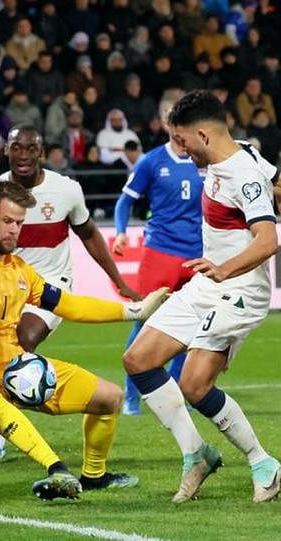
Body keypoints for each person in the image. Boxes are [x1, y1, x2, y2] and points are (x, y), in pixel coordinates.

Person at [0, 180, 169, 499]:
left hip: (18, 371)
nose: (14, 230)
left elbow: (69, 304)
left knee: (110, 397)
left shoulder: (20, 269)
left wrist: (133, 311)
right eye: (7, 221)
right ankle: (56, 470)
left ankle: (94, 475)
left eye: (19, 223)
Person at [122, 91, 281, 504]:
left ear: (203, 135)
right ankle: (197, 455)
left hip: (241, 290)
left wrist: (233, 266)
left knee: (193, 383)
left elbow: (266, 241)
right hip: (210, 284)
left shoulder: (242, 175)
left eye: (183, 140)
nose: (181, 149)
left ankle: (263, 462)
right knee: (138, 360)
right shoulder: (242, 152)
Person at [0, 125, 140, 461]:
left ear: (41, 152)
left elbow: (89, 234)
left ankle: (2, 422)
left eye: (30, 149)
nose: (23, 155)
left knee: (23, 341)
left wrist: (118, 281)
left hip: (48, 283)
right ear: (6, 151)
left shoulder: (66, 190)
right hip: (6, 284)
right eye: (16, 148)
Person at [113, 115, 204, 416]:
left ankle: (175, 393)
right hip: (161, 252)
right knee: (145, 320)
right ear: (168, 127)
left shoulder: (206, 159)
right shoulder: (151, 161)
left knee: (190, 324)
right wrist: (121, 232)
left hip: (197, 253)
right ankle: (131, 396)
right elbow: (124, 202)